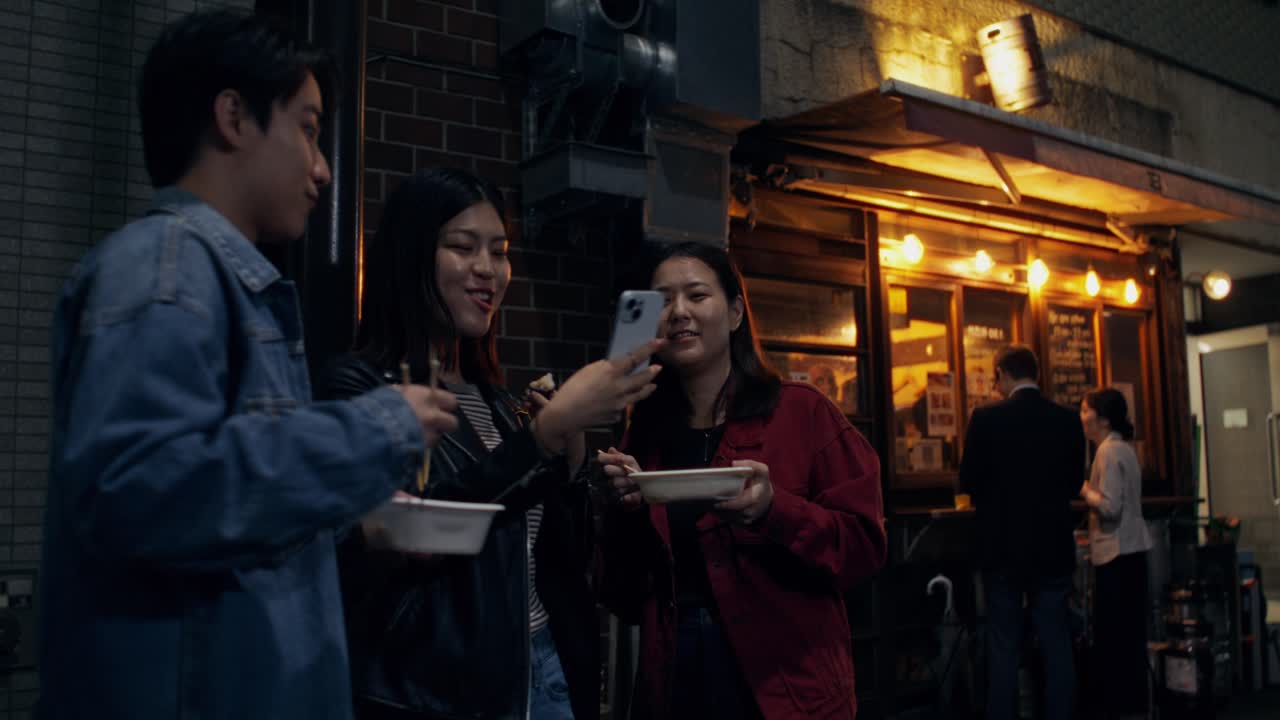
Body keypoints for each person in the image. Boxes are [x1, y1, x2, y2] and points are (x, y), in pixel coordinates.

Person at [39, 11, 459, 720]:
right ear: (233, 117)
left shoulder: (215, 277)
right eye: (307, 127)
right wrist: (378, 428)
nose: (322, 168)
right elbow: (143, 492)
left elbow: (217, 504)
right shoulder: (166, 267)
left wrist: (352, 525)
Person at [316, 167, 662, 720]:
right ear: (410, 257)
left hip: (541, 668)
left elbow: (548, 556)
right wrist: (541, 440)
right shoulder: (358, 389)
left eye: (499, 252)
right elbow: (407, 532)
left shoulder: (495, 400)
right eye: (462, 247)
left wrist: (567, 460)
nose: (489, 271)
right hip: (440, 691)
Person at [596, 242, 887, 720]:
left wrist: (775, 511)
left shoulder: (802, 412)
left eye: (696, 295)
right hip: (675, 673)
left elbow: (865, 548)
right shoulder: (643, 434)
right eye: (663, 300)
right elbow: (624, 596)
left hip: (785, 681)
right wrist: (620, 510)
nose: (679, 312)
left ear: (734, 313)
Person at [958, 345, 1085, 720]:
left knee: (1003, 644)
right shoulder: (1066, 419)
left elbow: (969, 481)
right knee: (1056, 641)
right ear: (1038, 375)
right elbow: (1074, 480)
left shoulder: (985, 418)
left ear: (1001, 374)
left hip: (1002, 547)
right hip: (1052, 546)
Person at [1080, 388, 1152, 719]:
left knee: (1113, 640)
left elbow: (1109, 507)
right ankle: (1136, 707)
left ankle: (1117, 708)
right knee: (1132, 639)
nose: (1081, 417)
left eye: (1085, 410)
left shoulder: (1107, 452)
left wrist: (1083, 489)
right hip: (1134, 550)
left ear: (1103, 419)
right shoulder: (1124, 449)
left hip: (1115, 554)